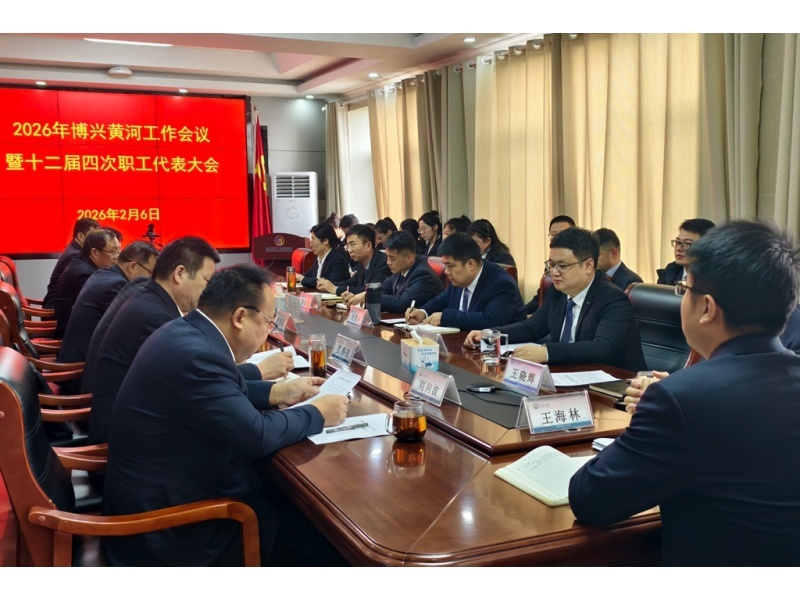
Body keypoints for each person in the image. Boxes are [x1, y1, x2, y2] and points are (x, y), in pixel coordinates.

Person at [569, 220, 800, 566]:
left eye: (683, 289)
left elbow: (590, 498)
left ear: (707, 308)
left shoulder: (680, 400)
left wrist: (654, 414)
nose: (681, 298)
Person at [102, 264, 350, 566]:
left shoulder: (186, 330)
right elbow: (257, 434)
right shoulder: (200, 354)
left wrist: (278, 392)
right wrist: (319, 413)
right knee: (323, 545)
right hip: (172, 528)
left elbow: (216, 392)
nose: (268, 331)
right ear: (240, 317)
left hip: (167, 491)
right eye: (268, 322)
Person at [87, 236, 291, 445]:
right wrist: (260, 372)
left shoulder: (149, 296)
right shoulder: (157, 317)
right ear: (180, 273)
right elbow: (203, 379)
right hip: (124, 437)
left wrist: (273, 391)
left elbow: (202, 382)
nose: (211, 291)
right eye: (207, 281)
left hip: (131, 423)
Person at [467, 227, 646, 372]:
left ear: (588, 265)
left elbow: (602, 347)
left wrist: (546, 352)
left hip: (614, 386)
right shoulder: (557, 292)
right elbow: (531, 328)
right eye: (551, 265)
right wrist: (491, 334)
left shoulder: (613, 299)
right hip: (570, 374)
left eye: (563, 265)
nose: (553, 272)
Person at [58, 240, 158, 365]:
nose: (152, 279)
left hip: (76, 354)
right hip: (80, 366)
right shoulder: (116, 285)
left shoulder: (103, 273)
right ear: (132, 267)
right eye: (150, 273)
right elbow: (128, 330)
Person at [407, 233, 525, 331]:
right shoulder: (459, 279)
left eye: (450, 266)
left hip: (500, 349)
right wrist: (422, 312)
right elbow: (442, 300)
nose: (446, 272)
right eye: (445, 266)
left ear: (471, 264)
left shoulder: (501, 283)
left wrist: (447, 318)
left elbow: (491, 320)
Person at [342, 230, 444, 311]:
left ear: (409, 258)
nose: (388, 262)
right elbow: (383, 290)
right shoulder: (400, 268)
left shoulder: (423, 274)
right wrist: (359, 297)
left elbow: (401, 303)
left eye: (392, 258)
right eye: (387, 257)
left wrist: (367, 296)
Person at [53, 229, 121, 338]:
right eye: (113, 252)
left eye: (118, 251)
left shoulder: (82, 263)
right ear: (95, 252)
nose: (116, 257)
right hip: (73, 337)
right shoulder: (85, 275)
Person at [317, 224, 390, 297]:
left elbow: (370, 292)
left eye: (352, 245)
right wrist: (328, 284)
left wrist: (335, 289)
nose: (349, 250)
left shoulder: (384, 263)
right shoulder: (362, 262)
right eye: (348, 245)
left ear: (368, 245)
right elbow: (350, 283)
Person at [43, 217, 100, 309]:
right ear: (80, 236)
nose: (95, 241)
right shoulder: (74, 255)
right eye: (92, 237)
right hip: (57, 307)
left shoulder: (74, 249)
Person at [524, 215, 576, 314]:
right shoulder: (552, 262)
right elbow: (542, 298)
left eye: (563, 265)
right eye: (554, 235)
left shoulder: (582, 258)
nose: (555, 271)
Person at [656, 218, 715, 285]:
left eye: (687, 244)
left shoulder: (718, 282)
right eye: (678, 242)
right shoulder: (667, 275)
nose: (678, 248)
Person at [300, 223, 349, 289]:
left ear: (325, 241)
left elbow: (329, 283)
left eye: (313, 239)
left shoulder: (338, 259)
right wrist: (296, 277)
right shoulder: (319, 257)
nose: (311, 244)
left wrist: (301, 278)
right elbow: (309, 275)